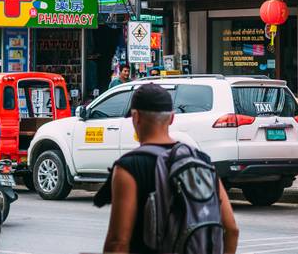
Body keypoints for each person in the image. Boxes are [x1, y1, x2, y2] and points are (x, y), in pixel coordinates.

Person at [97, 83, 239, 254]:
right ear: (172, 118)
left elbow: (118, 243)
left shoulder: (129, 168)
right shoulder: (202, 161)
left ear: (136, 117)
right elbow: (231, 230)